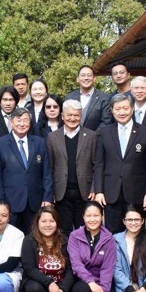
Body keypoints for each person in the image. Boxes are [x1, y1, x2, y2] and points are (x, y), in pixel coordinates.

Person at [92, 93, 146, 233]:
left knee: (136, 231)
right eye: (118, 109)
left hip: (136, 192)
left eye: (125, 108)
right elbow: (99, 163)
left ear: (132, 109)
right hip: (111, 193)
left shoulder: (145, 132)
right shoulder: (105, 132)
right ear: (112, 111)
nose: (122, 112)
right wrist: (99, 191)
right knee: (112, 233)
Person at [0, 107, 53, 233]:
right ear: (11, 121)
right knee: (10, 237)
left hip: (35, 202)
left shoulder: (39, 142)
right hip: (10, 202)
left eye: (25, 120)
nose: (22, 124)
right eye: (18, 120)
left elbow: (46, 172)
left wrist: (47, 198)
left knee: (34, 237)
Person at [46, 100, 99, 234]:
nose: (72, 118)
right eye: (69, 115)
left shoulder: (91, 136)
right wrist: (50, 193)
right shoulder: (52, 137)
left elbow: (97, 165)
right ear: (62, 116)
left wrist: (94, 188)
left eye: (76, 115)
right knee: (63, 231)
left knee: (85, 230)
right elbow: (49, 167)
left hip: (85, 193)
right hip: (61, 193)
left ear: (81, 116)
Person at [20, 205, 74, 292]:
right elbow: (29, 268)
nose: (48, 225)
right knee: (33, 289)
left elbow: (71, 269)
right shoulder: (29, 241)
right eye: (43, 221)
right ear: (37, 223)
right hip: (38, 283)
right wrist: (49, 283)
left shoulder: (65, 241)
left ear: (57, 223)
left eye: (51, 221)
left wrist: (63, 289)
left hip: (59, 285)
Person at [67, 202, 118, 292]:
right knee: (82, 290)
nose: (92, 219)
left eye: (96, 215)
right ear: (83, 217)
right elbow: (76, 264)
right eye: (88, 216)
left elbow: (108, 268)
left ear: (102, 217)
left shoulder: (109, 238)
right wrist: (91, 282)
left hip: (102, 282)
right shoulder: (74, 236)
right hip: (82, 282)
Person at [67, 65, 112, 131]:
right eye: (83, 75)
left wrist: (92, 136)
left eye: (89, 75)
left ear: (94, 78)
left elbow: (106, 122)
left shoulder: (104, 98)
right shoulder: (70, 97)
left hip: (96, 136)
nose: (86, 78)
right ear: (78, 79)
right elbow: (66, 119)